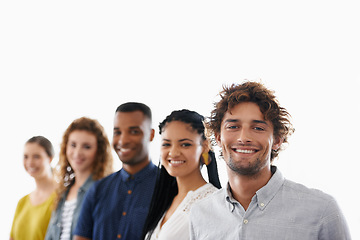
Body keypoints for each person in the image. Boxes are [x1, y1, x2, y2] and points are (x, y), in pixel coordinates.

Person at [189, 81, 351, 239]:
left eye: (258, 128)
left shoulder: (321, 211)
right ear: (218, 137)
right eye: (233, 126)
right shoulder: (199, 215)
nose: (243, 138)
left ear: (277, 139)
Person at [74, 102, 158, 240]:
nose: (123, 140)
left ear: (151, 134)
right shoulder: (97, 189)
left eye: (134, 131)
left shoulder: (168, 187)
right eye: (117, 132)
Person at [142, 109, 222, 240]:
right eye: (166, 144)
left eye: (185, 144)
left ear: (205, 146)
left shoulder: (213, 204)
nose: (173, 153)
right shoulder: (166, 199)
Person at [45, 117, 113, 240]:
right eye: (73, 145)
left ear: (99, 151)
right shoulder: (63, 192)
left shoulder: (103, 192)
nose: (77, 153)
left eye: (86, 147)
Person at [10, 136, 56, 240]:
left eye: (36, 156)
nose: (30, 162)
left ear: (50, 158)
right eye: (26, 157)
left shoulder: (61, 197)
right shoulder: (22, 202)